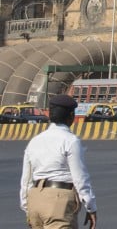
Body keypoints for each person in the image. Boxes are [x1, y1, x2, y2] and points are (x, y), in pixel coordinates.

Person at [21, 94, 98, 229]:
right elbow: (80, 179)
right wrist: (91, 207)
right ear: (71, 117)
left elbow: (26, 180)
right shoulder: (70, 141)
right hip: (58, 202)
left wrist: (27, 207)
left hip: (35, 199)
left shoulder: (35, 141)